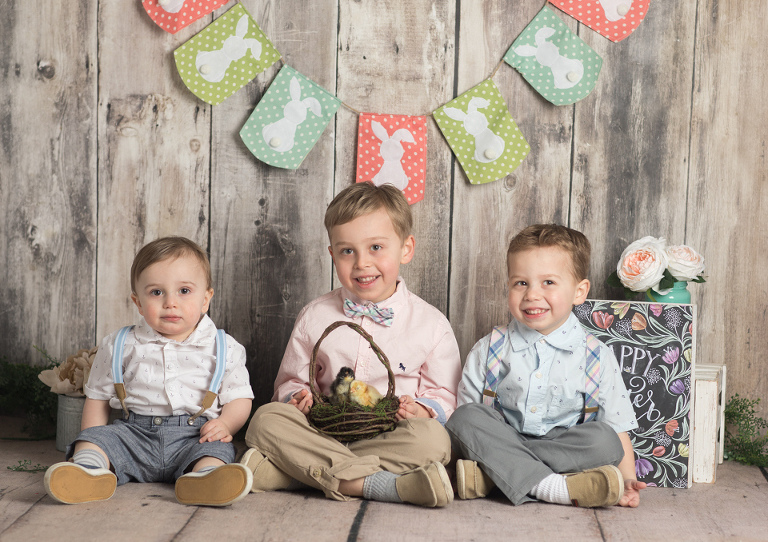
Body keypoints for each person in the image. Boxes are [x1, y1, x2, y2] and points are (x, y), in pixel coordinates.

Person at [241, 182, 462, 507]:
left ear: (405, 248)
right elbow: (290, 380)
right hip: (322, 430)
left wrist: (423, 409)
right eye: (347, 251)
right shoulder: (314, 316)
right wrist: (295, 396)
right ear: (332, 253)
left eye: (376, 248)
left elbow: (445, 396)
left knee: (434, 441)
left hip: (391, 435)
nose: (361, 263)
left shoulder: (431, 325)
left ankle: (293, 473)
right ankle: (381, 485)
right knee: (265, 419)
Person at [445, 224, 645, 508]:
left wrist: (627, 480)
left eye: (548, 282)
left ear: (579, 291)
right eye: (521, 283)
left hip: (564, 446)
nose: (531, 295)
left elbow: (619, 426)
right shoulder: (489, 348)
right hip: (503, 437)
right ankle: (553, 487)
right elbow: (467, 426)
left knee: (606, 440)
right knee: (464, 419)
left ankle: (494, 477)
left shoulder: (597, 355)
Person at [44, 237, 254, 506]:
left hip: (194, 436)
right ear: (138, 302)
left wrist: (226, 424)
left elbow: (239, 397)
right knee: (96, 438)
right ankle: (88, 471)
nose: (170, 302)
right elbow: (97, 398)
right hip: (133, 435)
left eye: (184, 291)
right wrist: (93, 439)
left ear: (206, 299)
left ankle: (206, 478)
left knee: (217, 449)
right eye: (156, 292)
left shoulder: (224, 347)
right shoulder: (119, 344)